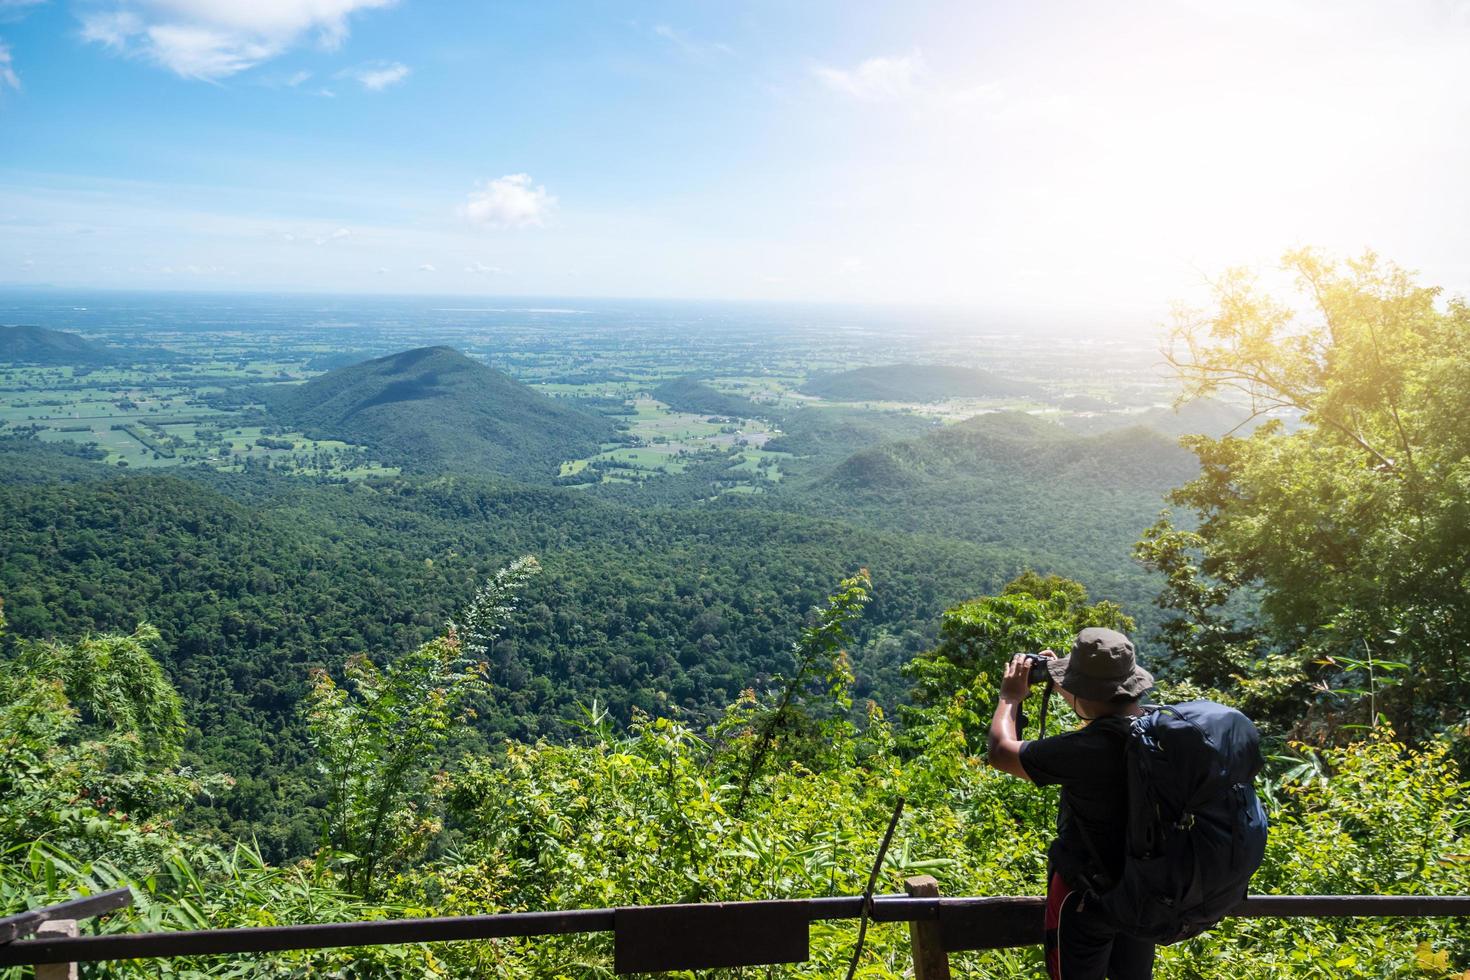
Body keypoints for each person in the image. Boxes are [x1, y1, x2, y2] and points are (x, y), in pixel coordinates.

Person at [986, 627, 1156, 980]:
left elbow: (1002, 752)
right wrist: (1066, 683)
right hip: (1143, 890)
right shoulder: (1156, 729)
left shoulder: (1086, 750)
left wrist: (1009, 697)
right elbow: (1104, 707)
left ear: (1086, 692)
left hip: (1085, 899)